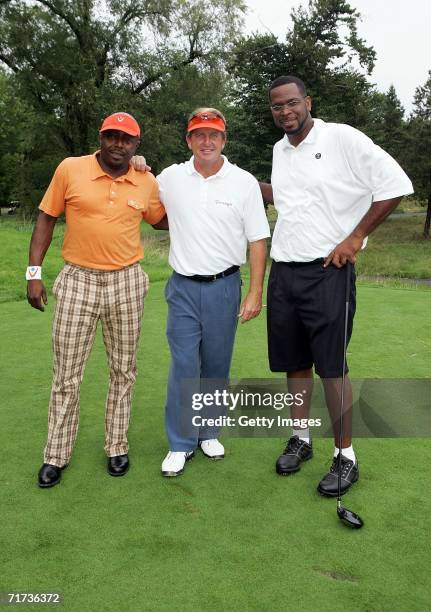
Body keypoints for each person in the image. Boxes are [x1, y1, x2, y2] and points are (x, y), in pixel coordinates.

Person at [260, 76, 413, 496]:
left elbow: (396, 184)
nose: (285, 111)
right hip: (285, 270)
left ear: (307, 102)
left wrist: (355, 237)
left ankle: (346, 457)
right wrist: (240, 182)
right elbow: (290, 198)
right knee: (295, 363)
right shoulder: (279, 149)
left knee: (331, 367)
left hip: (329, 271)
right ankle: (302, 439)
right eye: (277, 106)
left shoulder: (342, 138)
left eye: (292, 103)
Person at [27, 112, 166, 488]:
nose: (118, 144)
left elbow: (162, 220)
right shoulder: (70, 169)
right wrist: (34, 273)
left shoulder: (145, 180)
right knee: (66, 375)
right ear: (101, 138)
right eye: (112, 137)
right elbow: (45, 218)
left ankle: (116, 445)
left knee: (124, 370)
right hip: (77, 280)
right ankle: (56, 454)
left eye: (126, 139)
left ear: (136, 145)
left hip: (127, 281)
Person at [147, 108, 270, 477]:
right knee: (185, 365)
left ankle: (208, 432)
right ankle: (181, 442)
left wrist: (255, 292)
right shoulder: (169, 178)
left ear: (224, 139)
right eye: (198, 134)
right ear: (188, 140)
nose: (206, 141)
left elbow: (258, 239)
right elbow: (142, 194)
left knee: (216, 364)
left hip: (225, 286)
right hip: (183, 286)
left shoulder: (244, 182)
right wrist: (138, 164)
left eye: (213, 134)